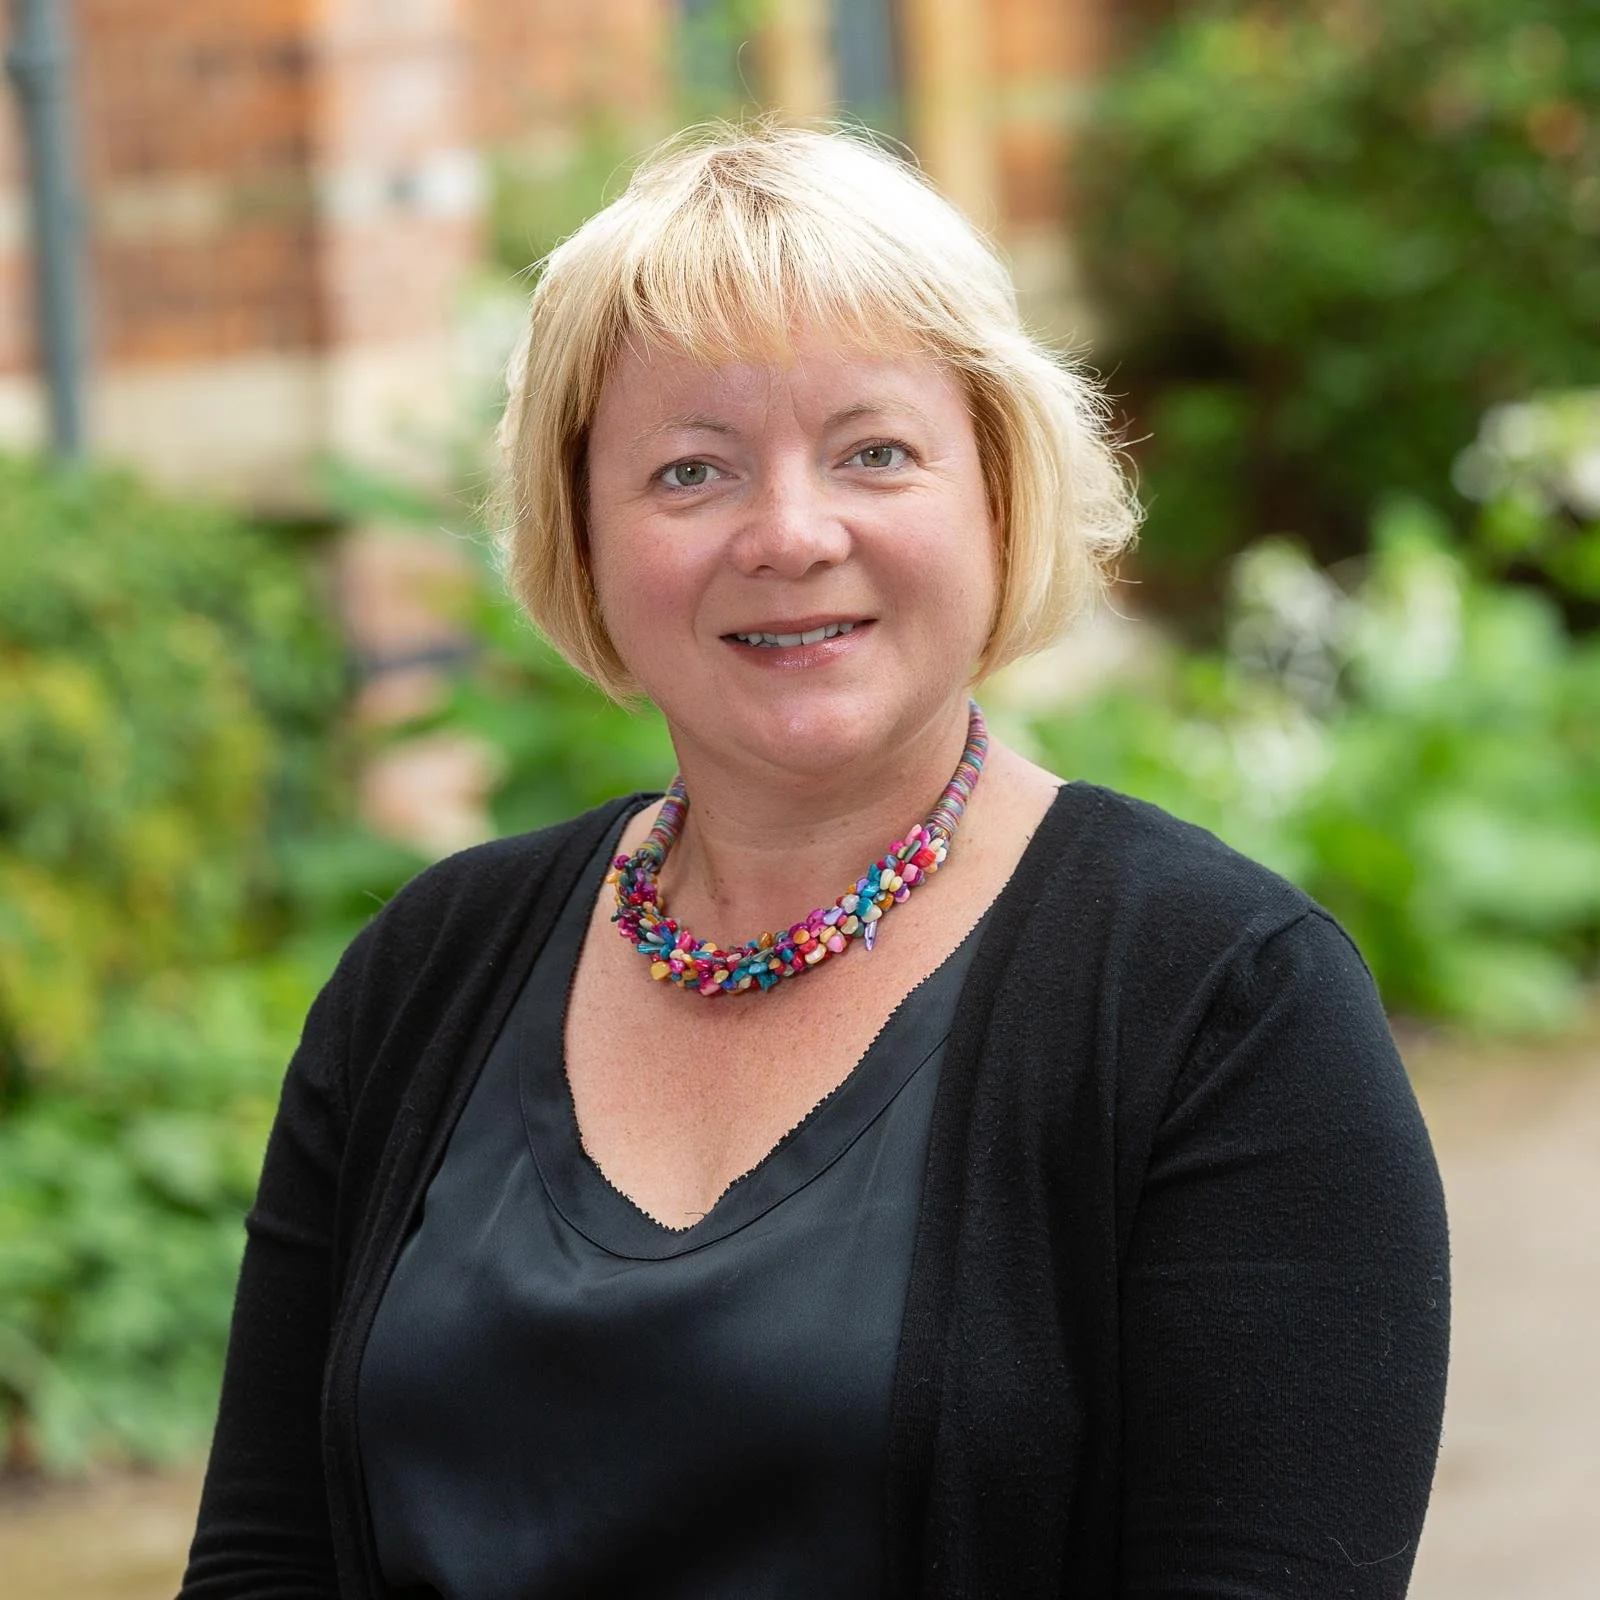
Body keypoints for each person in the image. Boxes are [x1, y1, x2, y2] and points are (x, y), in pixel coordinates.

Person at [180, 124, 1449, 1599]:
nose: (789, 534)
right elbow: (263, 1564)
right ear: (583, 535)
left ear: (998, 491)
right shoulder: (425, 974)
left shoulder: (1225, 1010)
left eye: (875, 453)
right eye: (691, 470)